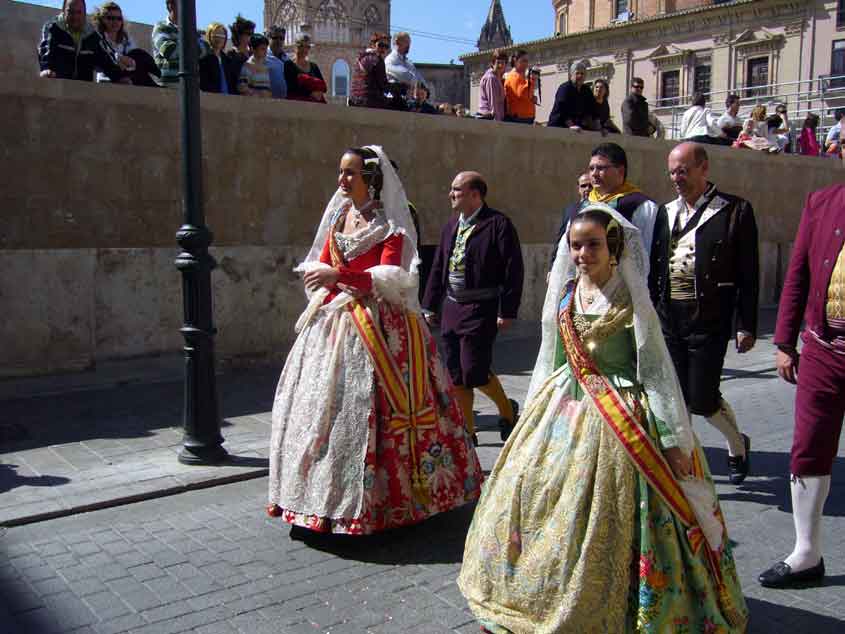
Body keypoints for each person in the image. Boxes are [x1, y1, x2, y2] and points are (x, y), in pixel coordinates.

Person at [458, 204, 748, 633]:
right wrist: (537, 410)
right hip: (566, 406)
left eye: (592, 244)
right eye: (575, 246)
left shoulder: (633, 299)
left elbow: (653, 368)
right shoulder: (566, 295)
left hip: (623, 413)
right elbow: (555, 357)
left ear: (612, 246)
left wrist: (670, 437)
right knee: (538, 494)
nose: (582, 254)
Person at [266, 146, 483, 538]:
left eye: (350, 173)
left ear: (371, 180)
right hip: (334, 323)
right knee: (322, 408)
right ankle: (319, 499)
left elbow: (391, 277)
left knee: (378, 409)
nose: (342, 180)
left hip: (379, 325)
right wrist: (322, 276)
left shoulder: (390, 225)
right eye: (341, 172)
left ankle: (391, 503)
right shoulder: (338, 217)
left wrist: (337, 276)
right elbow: (327, 258)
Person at [758, 184, 845, 588]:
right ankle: (806, 553)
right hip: (823, 347)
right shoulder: (821, 201)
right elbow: (798, 274)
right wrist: (783, 342)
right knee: (809, 445)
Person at [657, 142, 758, 485]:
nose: (677, 178)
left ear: (704, 168)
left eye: (683, 170)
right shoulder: (665, 212)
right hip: (670, 317)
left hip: (710, 318)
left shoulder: (734, 211)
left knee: (702, 398)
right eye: (672, 171)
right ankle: (686, 468)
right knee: (676, 397)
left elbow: (749, 274)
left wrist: (745, 326)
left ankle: (736, 444)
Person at [422, 172, 524, 445]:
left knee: (474, 370)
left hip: (482, 307)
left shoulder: (498, 225)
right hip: (452, 307)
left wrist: (508, 310)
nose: (451, 194)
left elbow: (513, 270)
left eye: (457, 190)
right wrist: (430, 305)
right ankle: (468, 431)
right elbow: (438, 267)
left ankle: (507, 412)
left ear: (475, 195)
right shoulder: (450, 226)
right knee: (456, 373)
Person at [586, 142, 668, 301]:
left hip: (625, 295)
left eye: (601, 168)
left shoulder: (641, 206)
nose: (594, 174)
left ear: (620, 171)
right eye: (591, 168)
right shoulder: (583, 206)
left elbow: (646, 254)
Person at [39, 0, 125, 83]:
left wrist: (119, 77)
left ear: (84, 14)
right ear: (63, 11)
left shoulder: (92, 35)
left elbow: (105, 59)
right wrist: (46, 68)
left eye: (79, 12)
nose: (75, 16)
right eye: (70, 12)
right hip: (59, 86)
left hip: (83, 89)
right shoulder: (53, 28)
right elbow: (46, 49)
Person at [549, 172, 592, 271]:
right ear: (578, 189)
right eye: (583, 186)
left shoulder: (601, 207)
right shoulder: (570, 210)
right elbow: (560, 239)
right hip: (571, 263)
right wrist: (552, 268)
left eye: (590, 186)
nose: (587, 189)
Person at [92, 2, 136, 83]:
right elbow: (98, 65)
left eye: (119, 18)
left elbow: (135, 62)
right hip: (105, 83)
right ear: (102, 19)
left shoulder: (127, 39)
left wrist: (130, 62)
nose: (115, 22)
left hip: (126, 83)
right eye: (110, 18)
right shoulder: (97, 38)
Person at [547, 61, 595, 129]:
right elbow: (562, 109)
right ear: (571, 75)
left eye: (582, 73)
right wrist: (571, 125)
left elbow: (591, 109)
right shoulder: (565, 88)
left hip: (577, 125)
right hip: (559, 125)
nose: (580, 76)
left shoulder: (586, 90)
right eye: (577, 73)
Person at [350, 32, 390, 109]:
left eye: (386, 46)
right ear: (373, 44)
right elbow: (382, 84)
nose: (383, 49)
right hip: (371, 101)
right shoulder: (377, 59)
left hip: (355, 101)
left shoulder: (360, 58)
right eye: (381, 45)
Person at [284, 35, 327, 103]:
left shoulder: (314, 66)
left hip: (315, 105)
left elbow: (324, 88)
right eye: (301, 46)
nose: (304, 49)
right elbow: (292, 87)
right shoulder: (289, 65)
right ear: (295, 47)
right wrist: (310, 93)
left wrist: (318, 93)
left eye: (307, 47)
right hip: (297, 105)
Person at [223, 15, 255, 96]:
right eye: (248, 33)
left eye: (252, 33)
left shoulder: (253, 55)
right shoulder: (230, 56)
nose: (251, 36)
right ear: (239, 35)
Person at [503, 50, 536, 125]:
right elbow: (521, 94)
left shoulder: (521, 76)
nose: (526, 64)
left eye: (527, 61)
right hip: (518, 118)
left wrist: (532, 97)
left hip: (524, 118)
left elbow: (525, 94)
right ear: (515, 61)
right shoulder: (513, 76)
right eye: (523, 61)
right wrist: (532, 80)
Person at [477, 49, 507, 121]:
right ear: (493, 63)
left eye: (503, 63)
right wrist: (498, 124)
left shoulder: (497, 77)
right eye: (498, 63)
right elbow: (493, 104)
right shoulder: (491, 78)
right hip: (490, 118)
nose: (500, 65)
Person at [238, 34, 272, 99]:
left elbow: (268, 88)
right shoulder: (247, 66)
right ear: (253, 49)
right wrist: (257, 94)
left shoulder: (265, 67)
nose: (265, 52)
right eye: (262, 49)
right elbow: (242, 87)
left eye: (266, 49)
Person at [198, 22, 229, 94]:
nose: (219, 39)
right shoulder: (204, 59)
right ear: (209, 36)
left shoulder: (228, 60)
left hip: (228, 100)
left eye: (222, 36)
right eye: (215, 35)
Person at [265, 25, 288, 99]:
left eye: (281, 38)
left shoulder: (287, 60)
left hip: (286, 103)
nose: (279, 41)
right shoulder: (263, 57)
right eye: (275, 38)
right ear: (268, 38)